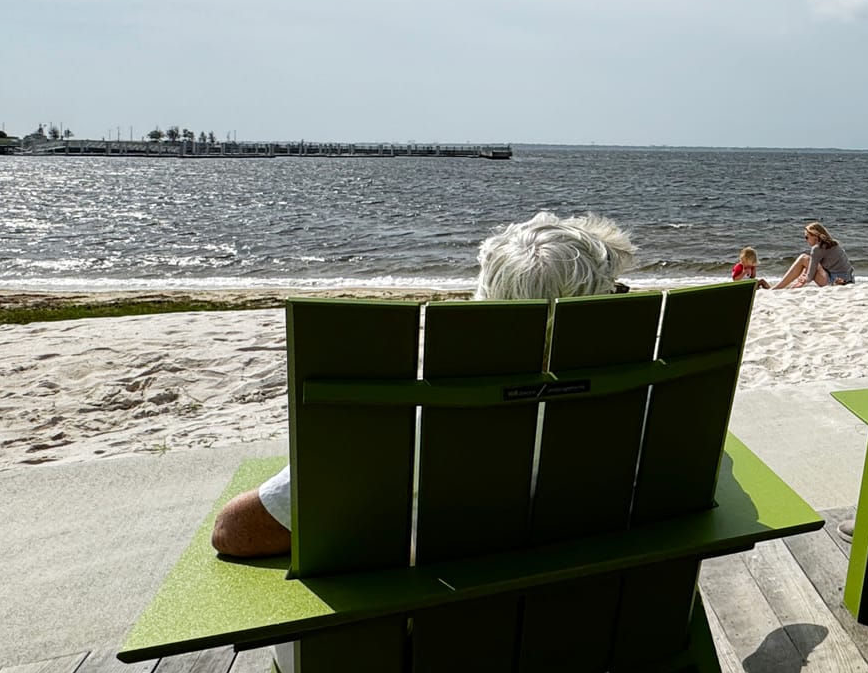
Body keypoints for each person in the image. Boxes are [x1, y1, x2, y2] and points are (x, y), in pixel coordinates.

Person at [209, 210, 639, 558]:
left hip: (430, 648)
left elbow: (234, 531)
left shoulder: (410, 415)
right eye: (619, 289)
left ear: (486, 301)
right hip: (604, 630)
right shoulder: (646, 403)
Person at [769, 221, 857, 287]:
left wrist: (804, 280)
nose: (806, 240)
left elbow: (811, 273)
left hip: (836, 282)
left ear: (815, 236)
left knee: (803, 258)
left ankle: (778, 287)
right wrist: (804, 275)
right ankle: (781, 286)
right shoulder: (833, 244)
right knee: (807, 260)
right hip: (848, 280)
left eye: (807, 237)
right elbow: (814, 265)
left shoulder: (817, 248)